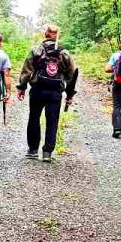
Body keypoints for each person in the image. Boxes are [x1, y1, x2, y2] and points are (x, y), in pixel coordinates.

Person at [17, 25, 78, 163]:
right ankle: (47, 153)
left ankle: (33, 150)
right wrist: (69, 94)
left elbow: (27, 70)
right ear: (57, 36)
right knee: (52, 121)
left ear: (45, 34)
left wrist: (22, 87)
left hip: (37, 89)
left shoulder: (36, 50)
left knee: (34, 118)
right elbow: (72, 74)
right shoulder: (65, 53)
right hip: (55, 92)